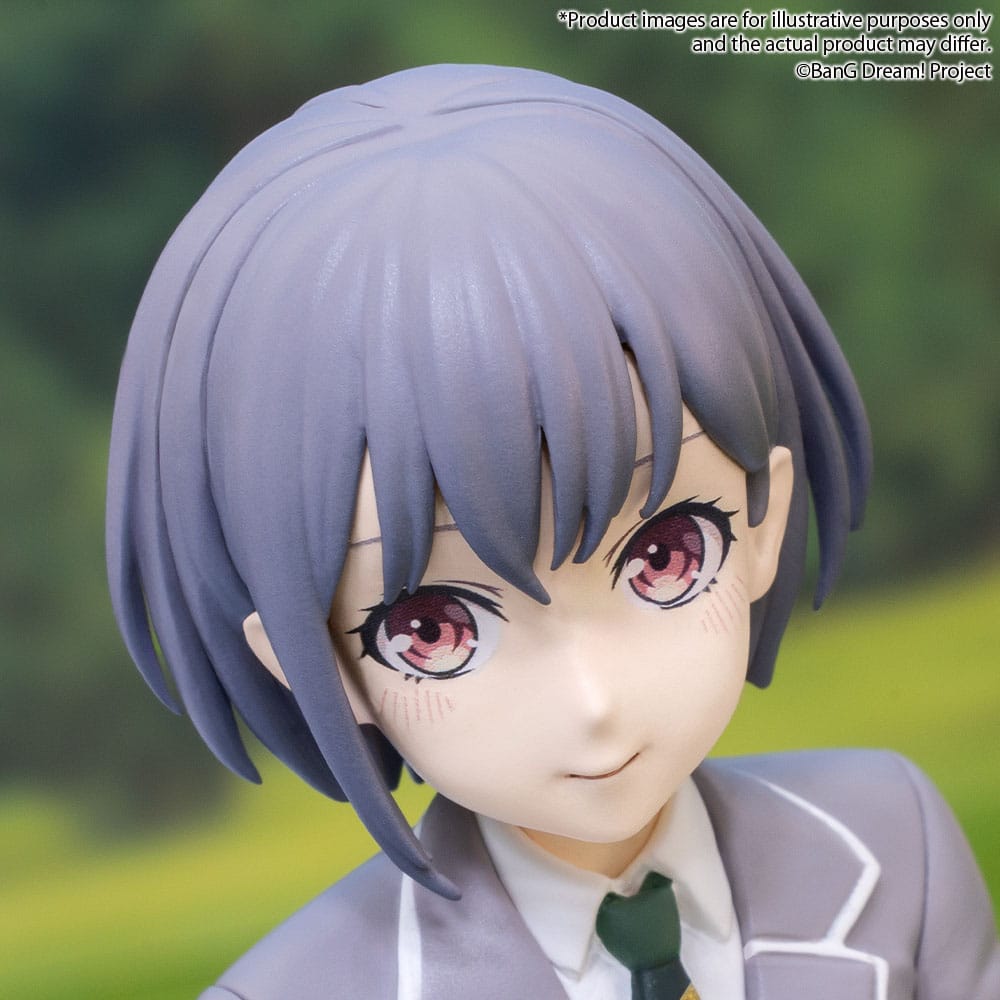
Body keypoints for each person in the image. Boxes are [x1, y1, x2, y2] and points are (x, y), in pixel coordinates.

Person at [107, 65, 999, 999]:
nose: (593, 700)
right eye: (434, 630)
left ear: (762, 516)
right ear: (314, 660)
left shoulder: (895, 847)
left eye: (666, 556)